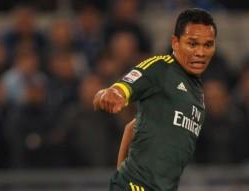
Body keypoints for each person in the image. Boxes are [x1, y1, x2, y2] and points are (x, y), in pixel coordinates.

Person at [93, 8, 217, 191]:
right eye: (192, 44)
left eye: (208, 45)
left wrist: (120, 172)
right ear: (175, 42)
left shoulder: (197, 94)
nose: (200, 52)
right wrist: (110, 94)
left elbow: (133, 127)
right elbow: (116, 90)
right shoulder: (161, 68)